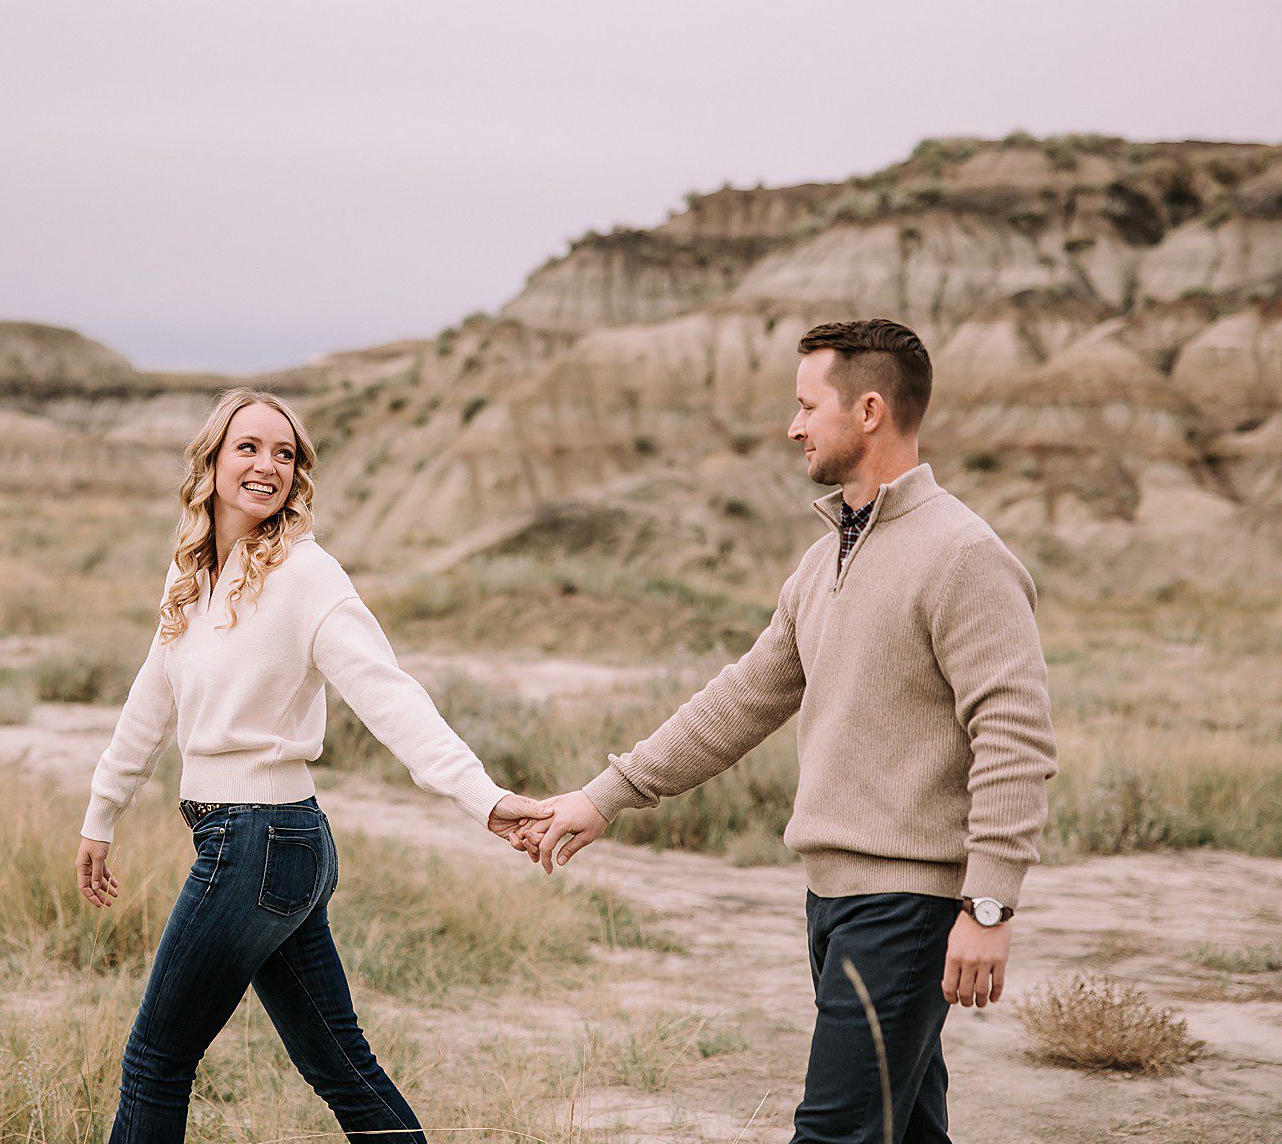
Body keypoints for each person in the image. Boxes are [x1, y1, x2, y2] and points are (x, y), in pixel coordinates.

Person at [524, 319, 1058, 1144]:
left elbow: (1015, 735)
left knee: (833, 1134)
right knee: (905, 1132)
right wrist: (607, 796)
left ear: (870, 410)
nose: (794, 426)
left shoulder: (962, 554)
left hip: (905, 907)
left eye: (808, 406)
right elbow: (742, 699)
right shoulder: (823, 561)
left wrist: (989, 903)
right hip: (834, 900)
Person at [74, 387, 549, 1144]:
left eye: (285, 453)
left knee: (156, 1059)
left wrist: (481, 797)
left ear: (299, 475)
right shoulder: (191, 574)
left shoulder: (306, 574)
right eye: (249, 447)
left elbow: (389, 696)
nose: (268, 465)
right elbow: (150, 700)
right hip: (271, 848)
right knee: (341, 1068)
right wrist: (101, 813)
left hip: (257, 844)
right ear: (212, 460)